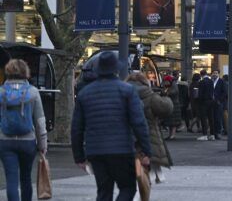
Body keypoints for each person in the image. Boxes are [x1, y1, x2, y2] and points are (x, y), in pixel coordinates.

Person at [71, 51, 151, 201]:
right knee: (127, 188)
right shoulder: (127, 90)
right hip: (122, 149)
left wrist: (79, 156)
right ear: (116, 69)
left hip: (96, 150)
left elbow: (77, 128)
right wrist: (146, 150)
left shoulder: (85, 93)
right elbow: (139, 123)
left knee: (104, 191)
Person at [0, 59, 47, 201]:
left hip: (5, 141)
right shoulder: (33, 92)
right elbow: (40, 121)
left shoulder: (1, 92)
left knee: (11, 180)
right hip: (28, 141)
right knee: (26, 178)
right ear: (25, 72)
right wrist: (42, 145)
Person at [126, 73, 173, 186]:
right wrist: (166, 97)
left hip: (129, 133)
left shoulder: (123, 93)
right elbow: (166, 108)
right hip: (150, 130)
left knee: (135, 157)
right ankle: (151, 179)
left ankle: (142, 179)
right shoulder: (150, 95)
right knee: (150, 155)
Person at [196, 70, 215, 141]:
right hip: (211, 101)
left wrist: (198, 100)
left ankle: (205, 134)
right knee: (211, 118)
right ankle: (212, 134)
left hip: (203, 102)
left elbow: (200, 93)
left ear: (201, 75)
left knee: (203, 118)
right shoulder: (211, 81)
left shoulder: (201, 82)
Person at [161, 75, 181, 140]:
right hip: (170, 104)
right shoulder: (169, 86)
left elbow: (172, 93)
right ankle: (170, 135)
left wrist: (166, 92)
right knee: (170, 121)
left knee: (174, 121)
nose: (165, 83)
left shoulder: (174, 86)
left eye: (166, 81)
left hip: (174, 105)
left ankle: (173, 135)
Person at [212, 69, 227, 139]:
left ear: (218, 74)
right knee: (213, 118)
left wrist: (219, 100)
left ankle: (218, 132)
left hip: (218, 102)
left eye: (216, 73)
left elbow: (224, 92)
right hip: (212, 102)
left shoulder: (221, 81)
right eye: (213, 73)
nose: (214, 74)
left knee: (218, 118)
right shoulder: (211, 81)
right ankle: (214, 132)